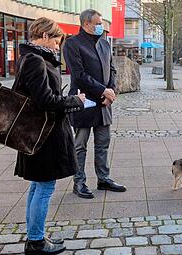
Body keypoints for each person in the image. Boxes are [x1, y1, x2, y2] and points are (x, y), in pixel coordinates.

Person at [14, 17, 86, 254]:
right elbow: (45, 100)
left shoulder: (33, 58)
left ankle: (35, 237)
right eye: (57, 41)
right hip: (44, 136)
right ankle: (36, 242)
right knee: (44, 187)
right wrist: (76, 101)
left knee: (38, 186)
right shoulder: (35, 61)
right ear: (45, 36)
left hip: (40, 133)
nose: (58, 46)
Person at [64, 9, 126, 199]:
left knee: (103, 143)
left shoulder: (105, 44)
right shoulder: (72, 44)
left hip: (104, 104)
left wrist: (111, 91)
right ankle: (79, 182)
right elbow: (79, 75)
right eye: (98, 23)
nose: (102, 26)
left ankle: (103, 178)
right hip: (84, 102)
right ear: (86, 24)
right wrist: (102, 90)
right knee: (80, 145)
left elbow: (112, 70)